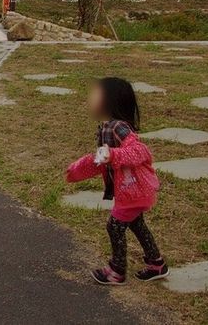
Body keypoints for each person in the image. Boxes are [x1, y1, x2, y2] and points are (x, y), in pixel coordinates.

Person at [66, 77, 166, 285]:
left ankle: (117, 270)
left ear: (110, 101)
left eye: (96, 95)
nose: (90, 99)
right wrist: (77, 170)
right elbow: (101, 160)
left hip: (134, 190)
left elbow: (140, 151)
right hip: (131, 191)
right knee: (137, 225)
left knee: (115, 226)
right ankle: (157, 264)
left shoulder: (118, 127)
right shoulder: (106, 127)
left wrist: (113, 155)